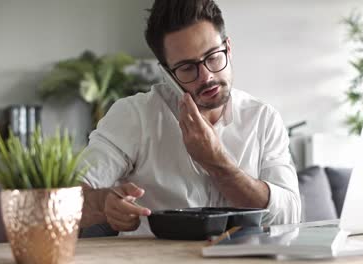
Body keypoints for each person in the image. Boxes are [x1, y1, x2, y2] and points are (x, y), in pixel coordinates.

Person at [80, 0, 301, 236]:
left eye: (213, 57)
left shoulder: (263, 118)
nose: (206, 77)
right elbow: (62, 200)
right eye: (187, 68)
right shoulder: (134, 116)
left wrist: (217, 163)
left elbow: (289, 216)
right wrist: (105, 203)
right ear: (167, 73)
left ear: (228, 48)